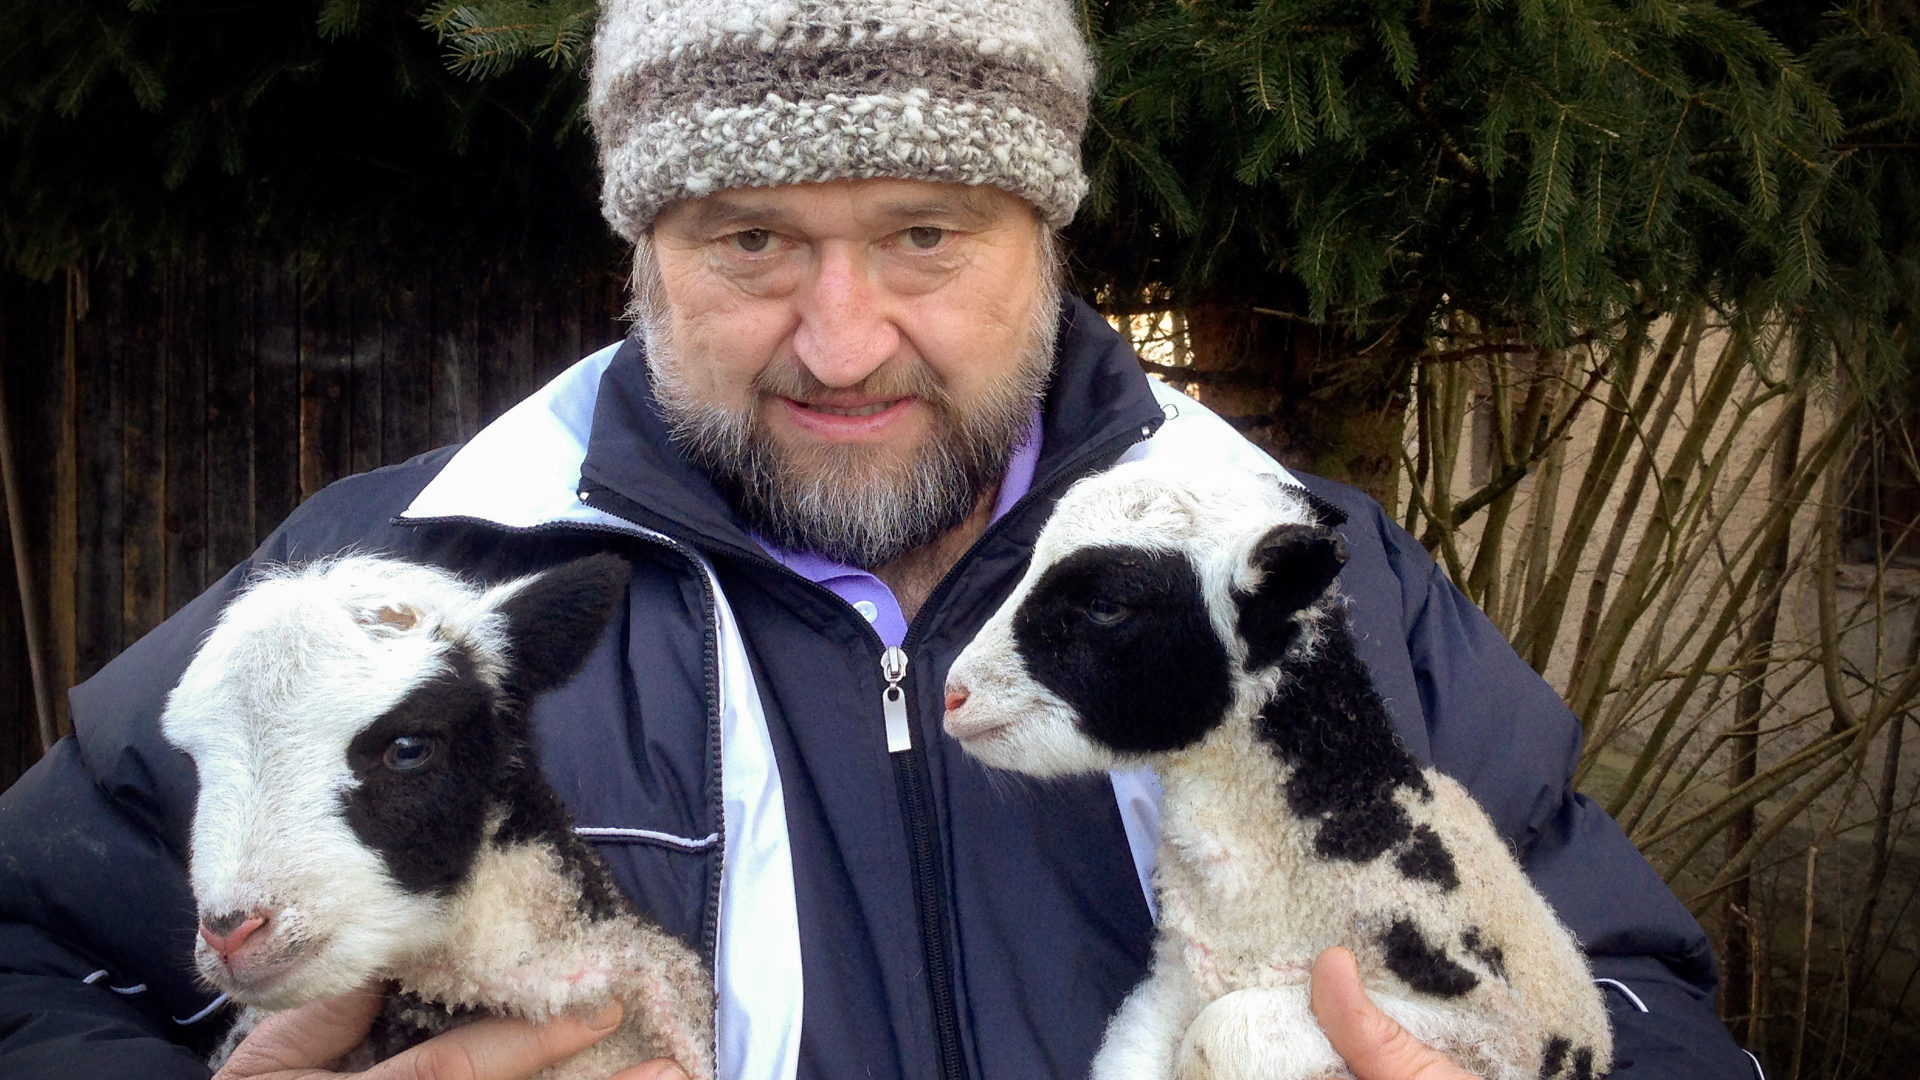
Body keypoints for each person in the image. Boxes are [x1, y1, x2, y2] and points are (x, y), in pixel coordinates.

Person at [0, 1, 1758, 1078]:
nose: (841, 340)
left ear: (1048, 235)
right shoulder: (405, 593)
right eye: (750, 240)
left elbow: (1642, 994)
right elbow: (30, 958)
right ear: (641, 243)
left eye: (925, 235)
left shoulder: (1301, 584)